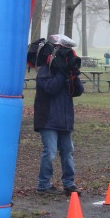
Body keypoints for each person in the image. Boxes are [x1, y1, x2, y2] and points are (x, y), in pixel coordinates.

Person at [34, 34, 84, 196]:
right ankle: (43, 185)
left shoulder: (66, 72)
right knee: (50, 152)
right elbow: (51, 89)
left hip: (65, 119)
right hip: (47, 119)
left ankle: (69, 184)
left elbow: (78, 91)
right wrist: (62, 73)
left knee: (68, 152)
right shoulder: (45, 70)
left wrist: (74, 75)